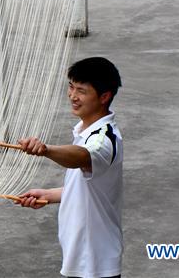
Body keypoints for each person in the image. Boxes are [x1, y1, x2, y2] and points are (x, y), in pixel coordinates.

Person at [16, 57, 123, 278]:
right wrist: (48, 194)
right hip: (82, 257)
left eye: (81, 91)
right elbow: (87, 189)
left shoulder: (104, 140)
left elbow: (81, 157)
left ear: (104, 96)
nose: (73, 96)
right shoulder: (84, 131)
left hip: (95, 263)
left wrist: (45, 150)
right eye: (71, 87)